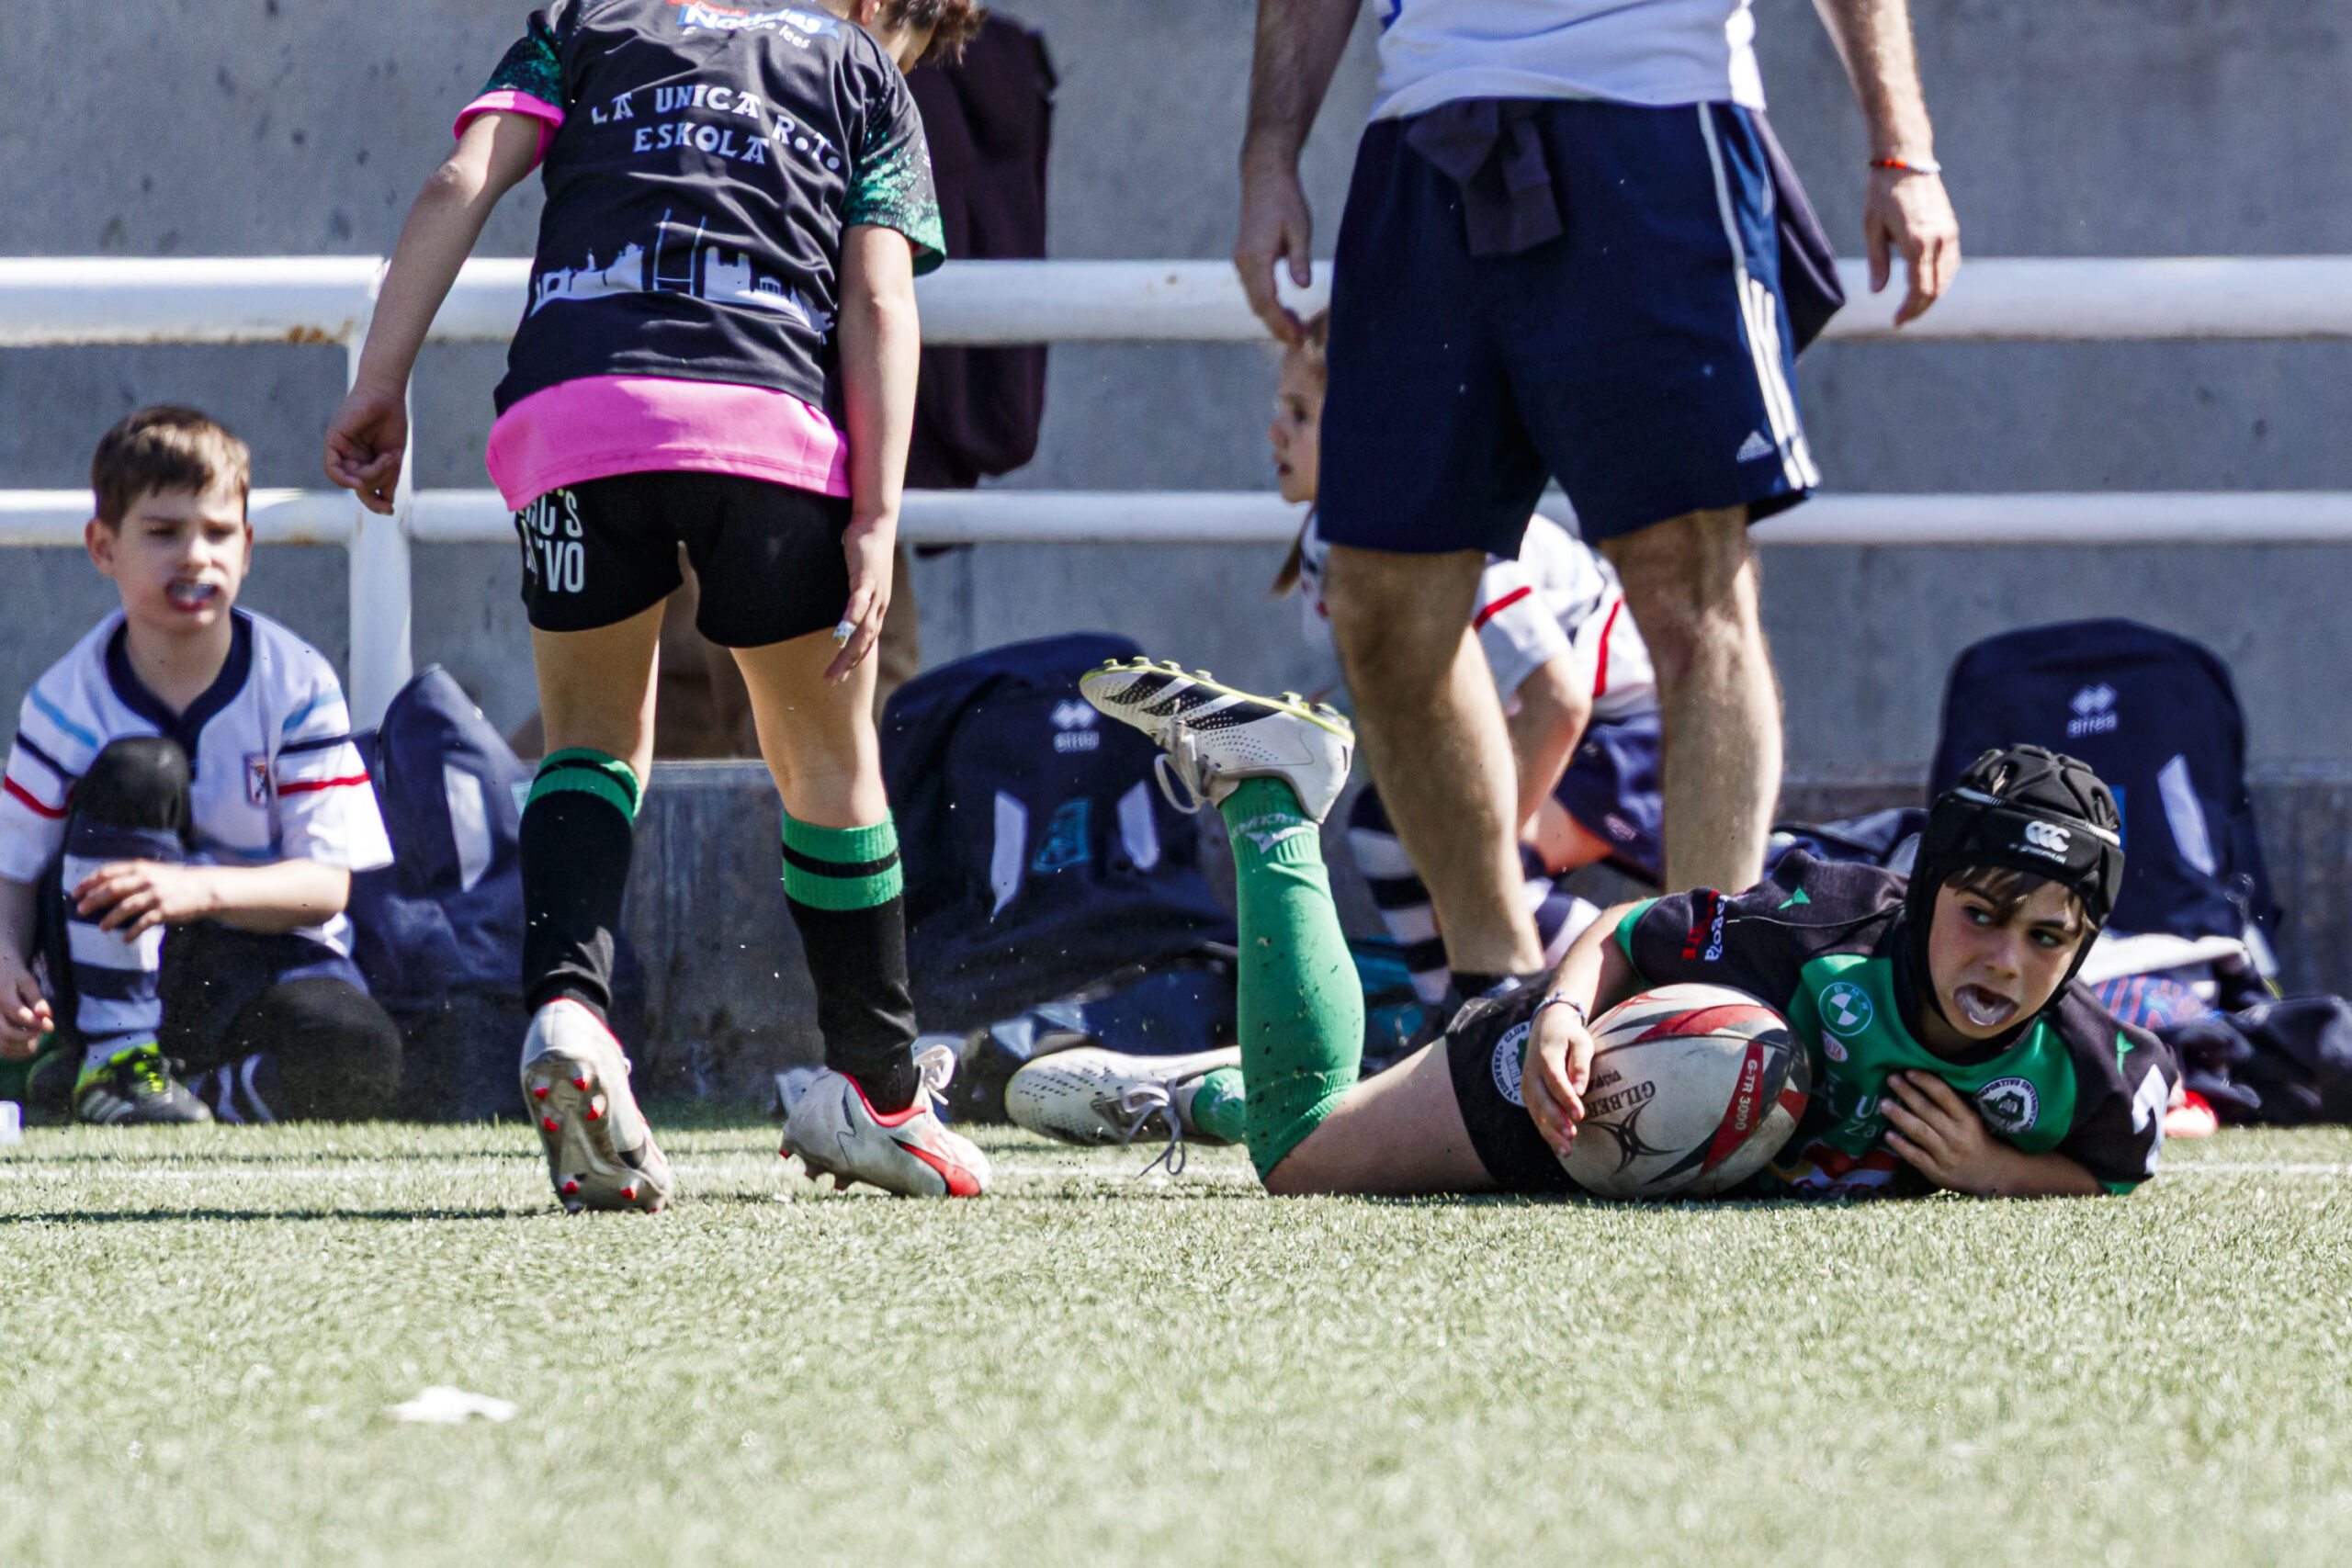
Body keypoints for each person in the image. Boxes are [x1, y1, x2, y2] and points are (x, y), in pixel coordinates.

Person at [323, 0, 989, 1211]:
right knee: (829, 771)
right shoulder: (853, 66)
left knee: (586, 743)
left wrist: (381, 378)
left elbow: (456, 178)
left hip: (571, 420)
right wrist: (879, 515)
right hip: (768, 431)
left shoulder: (583, 23)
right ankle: (883, 1095)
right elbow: (883, 304)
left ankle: (571, 1012)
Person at [1234, 0, 1963, 1003]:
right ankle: (1491, 1000)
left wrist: (1902, 150)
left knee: (1687, 591)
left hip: (1654, 108)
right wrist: (1269, 155)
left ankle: (1704, 1004)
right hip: (1423, 128)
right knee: (1379, 602)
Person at [1010, 672, 2177, 1202]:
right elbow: (1626, 927)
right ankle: (1272, 795)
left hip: (1671, 1157)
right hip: (1585, 1078)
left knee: (1319, 1126)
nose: (2006, 964)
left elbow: (2117, 1165)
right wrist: (1564, 1014)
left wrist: (2000, 1171)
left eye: (2046, 938)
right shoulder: (1822, 928)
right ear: (1925, 899)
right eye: (1978, 918)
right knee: (1302, 1158)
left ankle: (1217, 1092)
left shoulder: (2090, 1067)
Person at [0, 408, 402, 1126]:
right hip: (115, 962)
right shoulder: (65, 701)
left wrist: (193, 889)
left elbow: (326, 885)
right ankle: (117, 1060)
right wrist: (3, 958)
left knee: (361, 1049)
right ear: (102, 547)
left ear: (247, 548)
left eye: (217, 533)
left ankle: (182, 1101)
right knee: (139, 771)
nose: (195, 555)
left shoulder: (299, 685)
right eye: (163, 532)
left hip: (257, 957)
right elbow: (14, 870)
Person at [1267, 313, 1663, 1011]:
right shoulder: (1329, 546)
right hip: (1563, 734)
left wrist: (1486, 855)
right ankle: (1457, 1026)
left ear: (1371, 426)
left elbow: (1561, 702)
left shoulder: (1448, 531)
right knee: (1386, 827)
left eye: (1300, 414)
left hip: (1626, 741)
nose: (1275, 433)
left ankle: (1663, 986)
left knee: (1460, 864)